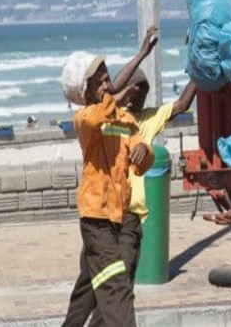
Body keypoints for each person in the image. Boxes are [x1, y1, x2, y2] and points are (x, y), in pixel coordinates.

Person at [60, 28, 159, 327]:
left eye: (107, 77)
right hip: (97, 220)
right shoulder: (85, 119)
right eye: (100, 81)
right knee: (116, 288)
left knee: (89, 292)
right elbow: (95, 116)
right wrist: (114, 95)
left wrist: (143, 152)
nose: (107, 83)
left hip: (123, 217)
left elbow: (139, 147)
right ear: (85, 92)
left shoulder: (123, 118)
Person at [109, 70, 197, 285]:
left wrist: (198, 72)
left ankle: (118, 313)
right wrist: (142, 54)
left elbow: (181, 104)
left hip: (131, 212)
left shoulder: (149, 117)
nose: (140, 99)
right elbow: (105, 99)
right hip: (106, 210)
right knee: (103, 277)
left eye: (144, 95)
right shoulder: (110, 116)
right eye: (135, 93)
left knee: (126, 273)